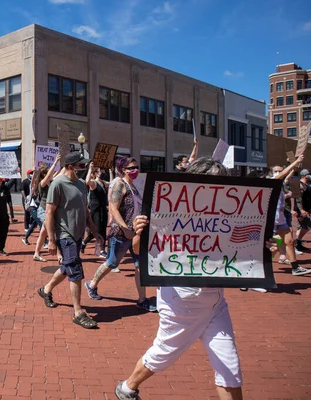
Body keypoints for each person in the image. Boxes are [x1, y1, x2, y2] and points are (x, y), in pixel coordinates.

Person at [114, 158, 244, 400]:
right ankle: (127, 387)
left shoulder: (229, 212)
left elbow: (239, 248)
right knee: (163, 354)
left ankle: (127, 388)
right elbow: (139, 249)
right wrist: (141, 231)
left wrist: (259, 249)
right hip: (182, 303)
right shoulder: (166, 211)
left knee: (230, 369)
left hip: (216, 302)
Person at [37, 152, 101, 329]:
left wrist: (95, 232)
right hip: (65, 235)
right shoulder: (57, 184)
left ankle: (46, 290)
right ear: (71, 166)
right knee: (75, 271)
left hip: (78, 233)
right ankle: (78, 312)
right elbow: (49, 212)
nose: (85, 169)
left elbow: (85, 211)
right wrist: (51, 240)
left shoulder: (81, 184)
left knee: (66, 267)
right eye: (82, 166)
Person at [84, 157, 157, 312]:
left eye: (136, 167)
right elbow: (113, 208)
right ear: (123, 170)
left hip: (136, 234)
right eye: (131, 168)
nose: (135, 170)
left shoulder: (134, 187)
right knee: (111, 262)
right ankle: (91, 284)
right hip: (121, 233)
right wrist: (126, 229)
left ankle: (142, 299)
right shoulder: (119, 185)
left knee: (139, 265)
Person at [268, 158, 311, 276]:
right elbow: (283, 174)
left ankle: (295, 267)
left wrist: (294, 166)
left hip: (280, 217)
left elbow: (287, 176)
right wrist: (295, 162)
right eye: (276, 171)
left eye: (280, 170)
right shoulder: (272, 180)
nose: (278, 172)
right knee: (270, 245)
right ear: (271, 173)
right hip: (270, 217)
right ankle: (259, 266)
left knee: (290, 241)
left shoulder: (281, 183)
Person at [32, 155, 61, 261]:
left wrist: (62, 165)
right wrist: (55, 161)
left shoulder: (51, 182)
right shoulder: (42, 184)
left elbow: (58, 173)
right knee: (53, 231)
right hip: (43, 211)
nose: (52, 174)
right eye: (48, 173)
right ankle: (59, 255)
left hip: (50, 211)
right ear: (44, 174)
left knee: (43, 232)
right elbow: (50, 175)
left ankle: (36, 253)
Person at [82, 163, 109, 257]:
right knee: (97, 230)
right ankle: (98, 249)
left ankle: (100, 250)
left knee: (103, 230)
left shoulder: (103, 183)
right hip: (95, 209)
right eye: (100, 170)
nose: (102, 172)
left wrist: (111, 171)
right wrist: (90, 168)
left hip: (103, 209)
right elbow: (87, 181)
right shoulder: (94, 183)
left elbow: (112, 183)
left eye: (103, 170)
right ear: (96, 173)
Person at [294, 168, 311, 253]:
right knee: (307, 227)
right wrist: (301, 210)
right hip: (301, 211)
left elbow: (307, 201)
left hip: (306, 210)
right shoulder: (300, 185)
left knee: (301, 227)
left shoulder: (307, 186)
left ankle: (298, 245)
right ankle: (296, 243)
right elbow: (298, 199)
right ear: (304, 175)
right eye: (309, 174)